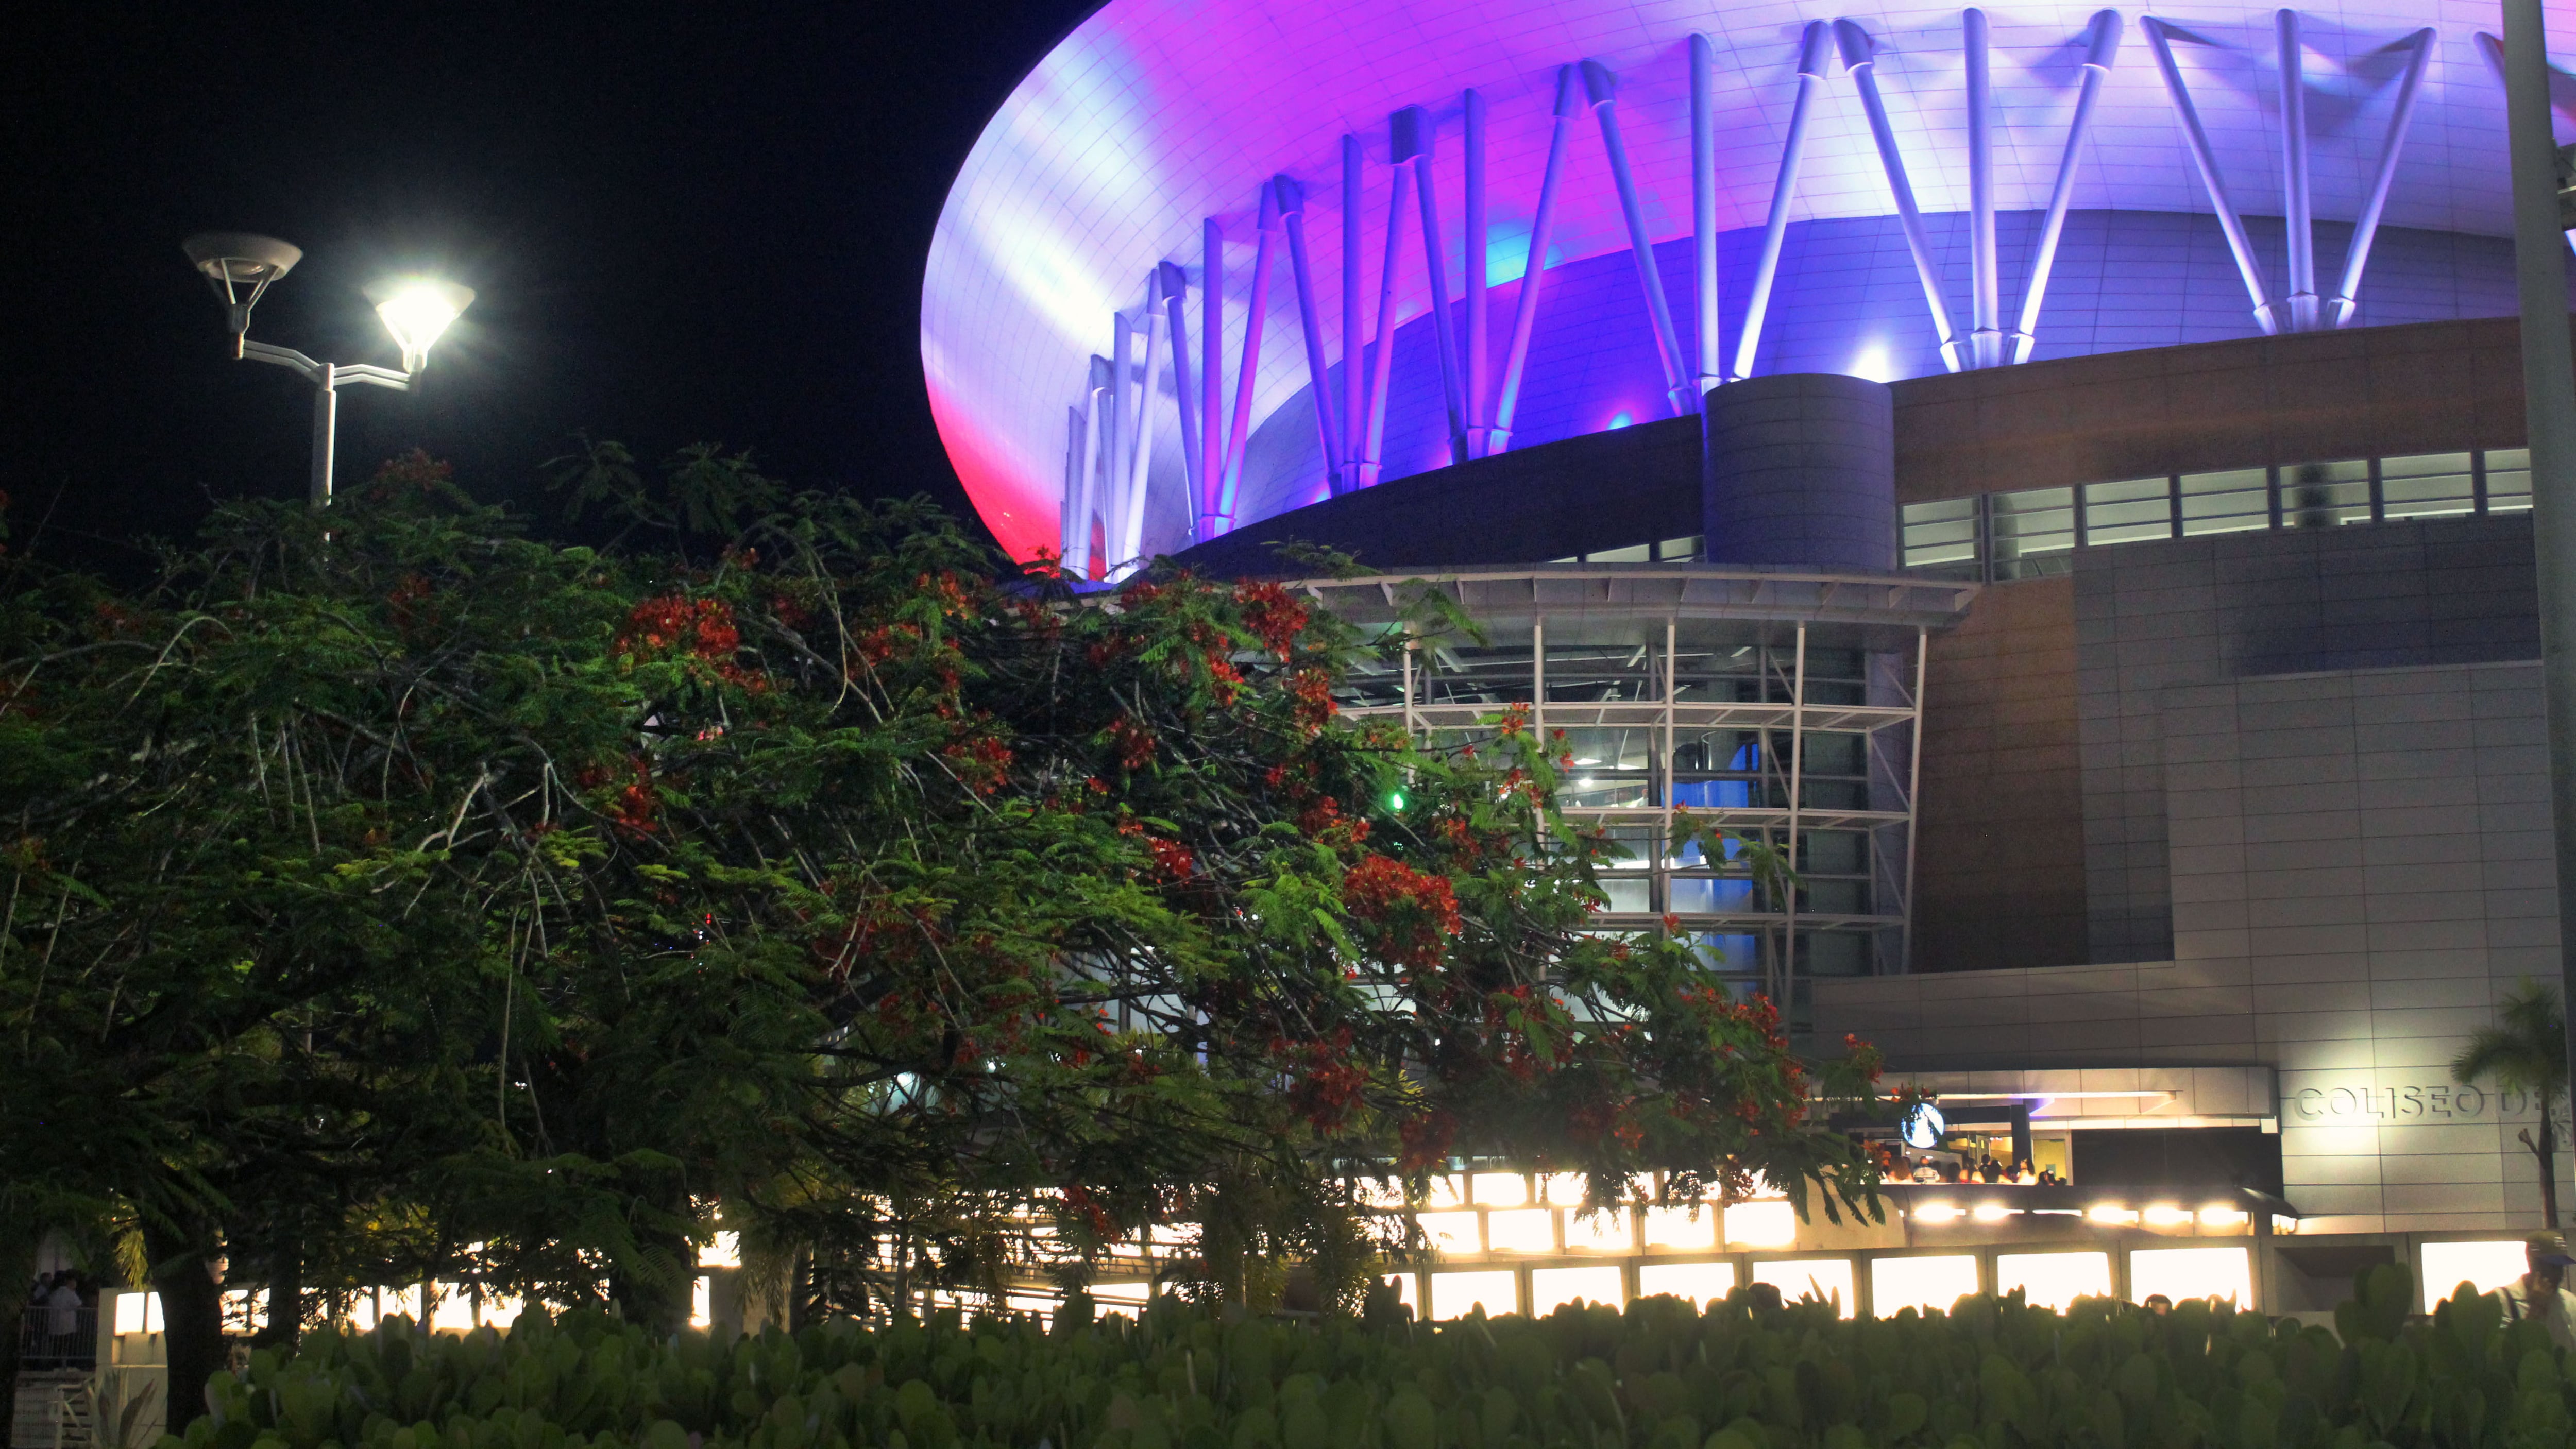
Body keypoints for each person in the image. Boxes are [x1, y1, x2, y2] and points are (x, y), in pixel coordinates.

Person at [2493, 1231, 2576, 1350]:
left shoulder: (2570, 1302)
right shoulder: (2503, 1300)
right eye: (2552, 1266)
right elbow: (2504, 1354)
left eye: (2561, 1267)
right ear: (2532, 1264)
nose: (2558, 1275)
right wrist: (2535, 1309)